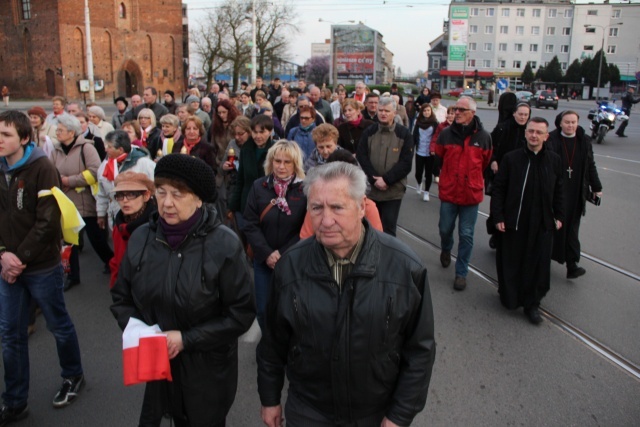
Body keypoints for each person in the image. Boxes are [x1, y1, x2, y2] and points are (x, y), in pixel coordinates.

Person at [257, 161, 436, 427]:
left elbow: (420, 350)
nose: (326, 220)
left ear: (362, 206)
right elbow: (273, 343)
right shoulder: (290, 266)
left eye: (337, 208)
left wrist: (400, 414)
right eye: (316, 208)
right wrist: (270, 398)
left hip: (375, 413)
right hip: (309, 409)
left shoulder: (404, 268)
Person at [111, 154, 255, 426]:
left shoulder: (224, 244)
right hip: (157, 363)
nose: (166, 203)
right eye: (161, 192)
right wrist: (141, 332)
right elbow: (121, 297)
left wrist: (186, 339)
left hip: (206, 369)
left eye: (177, 194)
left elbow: (240, 314)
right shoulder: (142, 237)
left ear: (199, 199)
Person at [0, 111, 84, 425]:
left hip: (40, 266)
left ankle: (73, 375)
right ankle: (15, 399)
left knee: (58, 324)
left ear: (24, 138)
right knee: (10, 334)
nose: (0, 140)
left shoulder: (41, 168)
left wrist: (18, 258)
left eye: (6, 135)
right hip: (7, 266)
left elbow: (48, 221)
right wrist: (3, 256)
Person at [490, 117, 564, 324]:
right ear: (525, 133)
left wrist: (559, 215)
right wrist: (498, 216)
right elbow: (499, 189)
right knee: (512, 260)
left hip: (541, 223)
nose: (534, 135)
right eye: (531, 131)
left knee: (538, 265)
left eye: (539, 132)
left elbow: (559, 191)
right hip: (515, 221)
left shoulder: (554, 160)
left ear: (546, 136)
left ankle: (532, 304)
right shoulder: (511, 159)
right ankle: (510, 296)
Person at [243, 140, 306, 330]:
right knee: (262, 310)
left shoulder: (305, 189)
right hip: (264, 260)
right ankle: (268, 348)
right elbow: (250, 223)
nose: (281, 166)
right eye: (277, 161)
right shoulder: (259, 186)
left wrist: (284, 253)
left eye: (287, 162)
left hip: (293, 260)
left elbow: (306, 228)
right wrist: (267, 253)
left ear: (295, 164)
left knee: (290, 309)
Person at [434, 96, 492, 291]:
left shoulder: (483, 137)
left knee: (466, 234)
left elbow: (485, 163)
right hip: (449, 192)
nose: (456, 112)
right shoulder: (445, 134)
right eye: (456, 109)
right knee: (445, 229)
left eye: (461, 110)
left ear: (472, 114)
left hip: (470, 194)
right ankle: (446, 248)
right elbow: (440, 158)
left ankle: (461, 272)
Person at [50, 114, 114, 289]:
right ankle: (72, 276)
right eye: (58, 129)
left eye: (61, 130)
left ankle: (112, 263)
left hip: (85, 200)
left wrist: (68, 181)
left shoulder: (87, 148)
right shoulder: (55, 150)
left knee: (96, 238)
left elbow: (94, 172)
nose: (57, 132)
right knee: (70, 241)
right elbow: (51, 172)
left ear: (71, 132)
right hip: (66, 202)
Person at [547, 111, 603, 278]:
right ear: (560, 123)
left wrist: (597, 187)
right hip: (556, 193)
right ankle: (544, 261)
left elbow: (590, 164)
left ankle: (572, 265)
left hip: (577, 191)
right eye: (567, 122)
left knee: (572, 229)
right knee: (552, 228)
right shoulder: (552, 139)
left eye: (573, 122)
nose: (570, 125)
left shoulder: (584, 141)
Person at [357, 96, 414, 236]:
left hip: (393, 192)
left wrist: (387, 180)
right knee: (369, 229)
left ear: (394, 113)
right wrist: (374, 179)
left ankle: (387, 257)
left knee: (388, 229)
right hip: (371, 190)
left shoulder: (404, 134)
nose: (383, 113)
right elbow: (362, 156)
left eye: (387, 111)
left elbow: (406, 163)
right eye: (380, 110)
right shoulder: (369, 132)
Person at [299, 149, 383, 239]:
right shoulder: (316, 204)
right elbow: (305, 238)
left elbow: (377, 241)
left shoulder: (368, 207)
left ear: (361, 206)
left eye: (337, 208)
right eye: (318, 208)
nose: (327, 222)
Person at [96, 130, 156, 231]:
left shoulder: (144, 163)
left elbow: (156, 189)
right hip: (116, 217)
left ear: (120, 149)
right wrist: (101, 214)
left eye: (109, 147)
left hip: (141, 219)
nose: (106, 150)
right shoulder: (105, 165)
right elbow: (102, 192)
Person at [108, 171, 156, 288]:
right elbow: (116, 263)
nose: (124, 200)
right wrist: (116, 289)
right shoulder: (118, 227)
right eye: (120, 195)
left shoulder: (157, 225)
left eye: (131, 194)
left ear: (146, 195)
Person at [228, 115, 276, 228]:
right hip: (247, 204)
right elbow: (241, 180)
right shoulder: (246, 149)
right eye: (255, 132)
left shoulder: (275, 150)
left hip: (268, 205)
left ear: (270, 132)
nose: (258, 136)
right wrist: (232, 207)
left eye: (262, 132)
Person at [414, 103, 439, 202]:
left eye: (428, 110)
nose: (426, 112)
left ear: (431, 111)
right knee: (418, 172)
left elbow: (437, 137)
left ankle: (426, 192)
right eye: (424, 111)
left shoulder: (435, 123)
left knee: (428, 173)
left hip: (430, 153)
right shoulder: (418, 122)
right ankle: (419, 183)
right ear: (421, 112)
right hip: (420, 151)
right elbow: (414, 136)